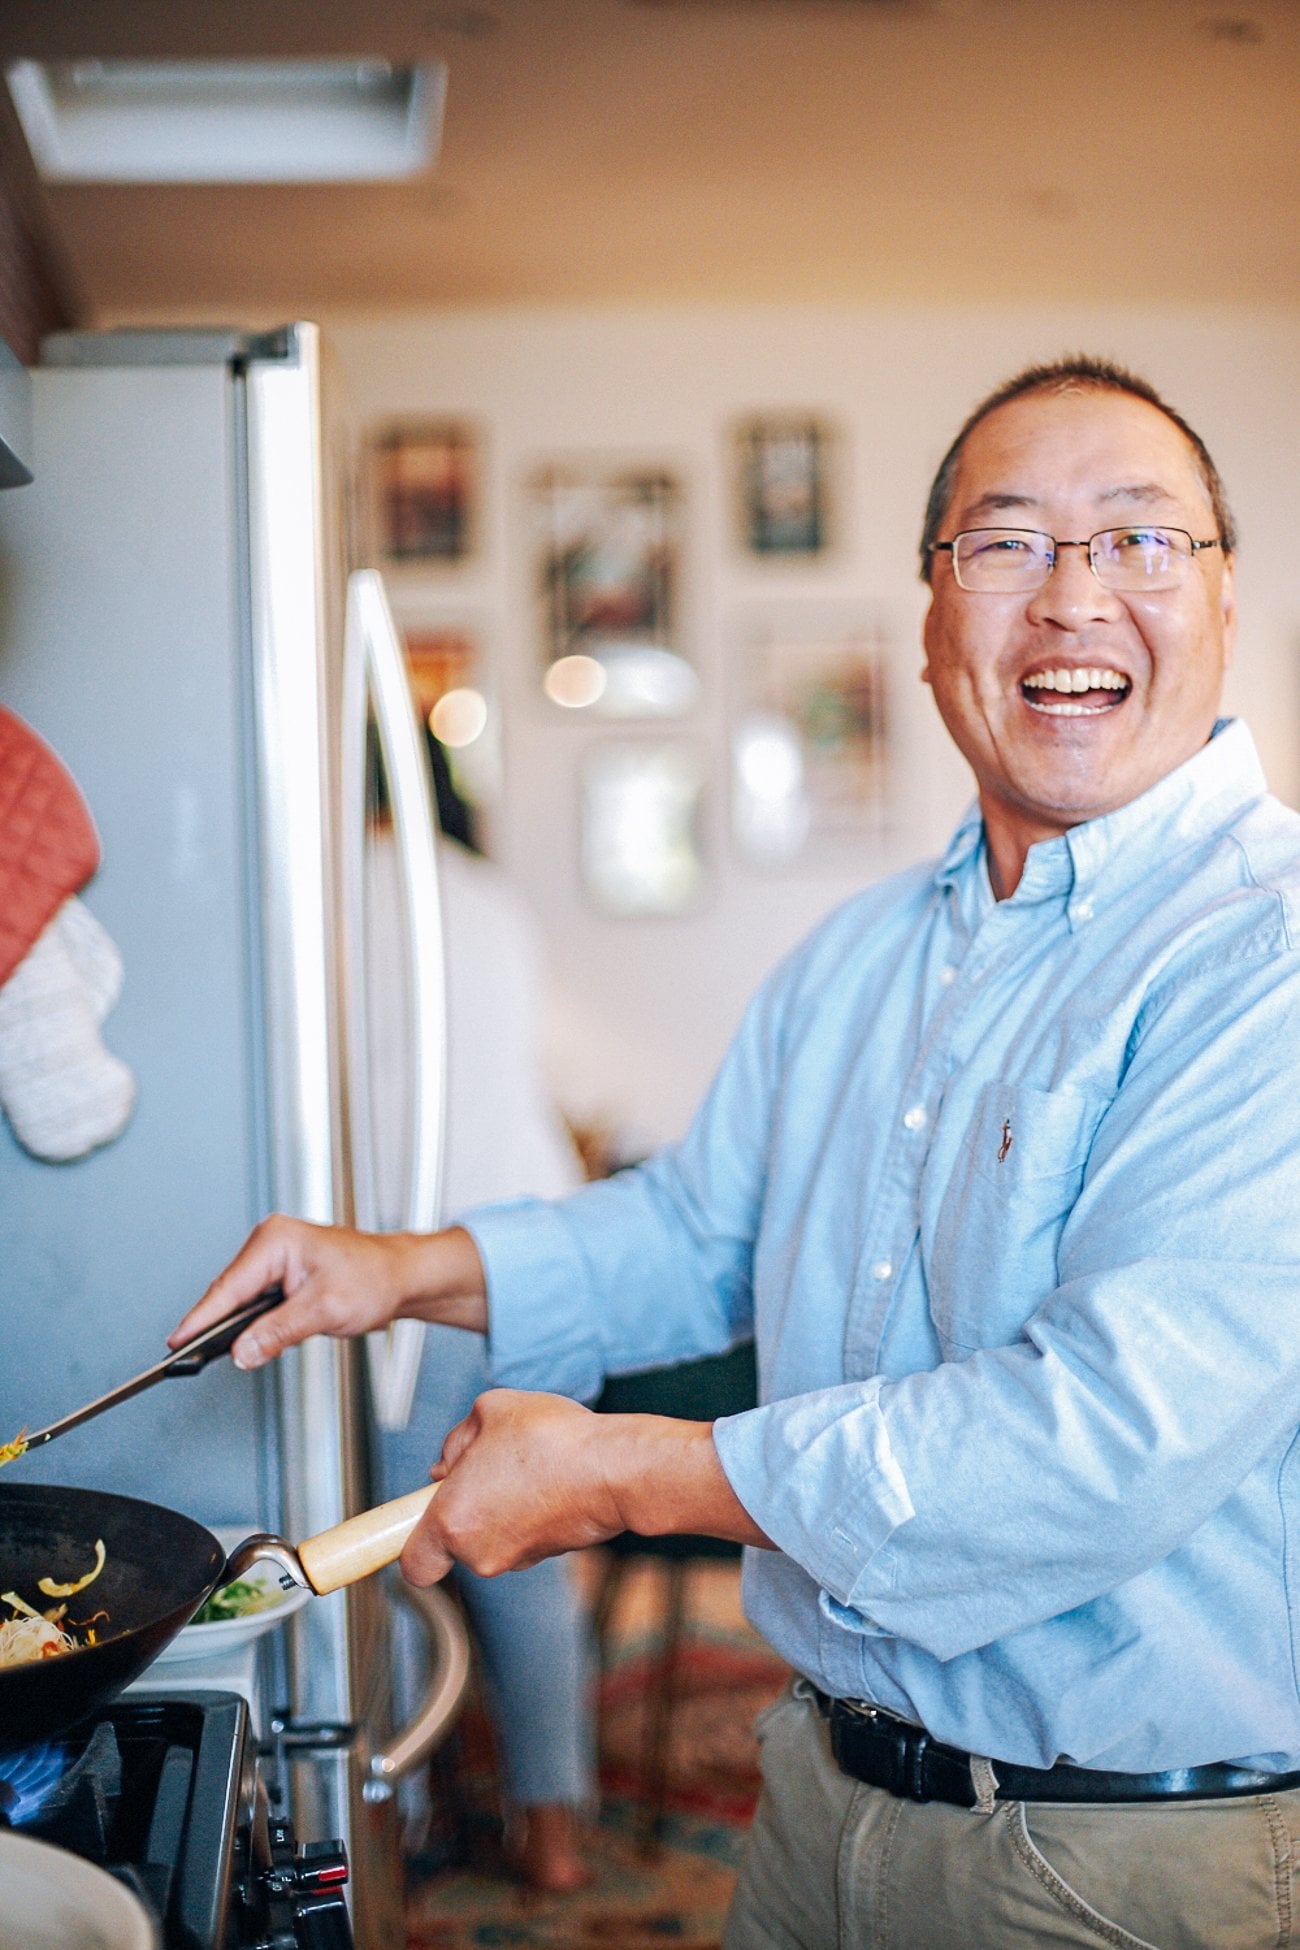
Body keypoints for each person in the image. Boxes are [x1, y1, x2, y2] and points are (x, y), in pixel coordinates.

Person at [174, 358, 1300, 1949]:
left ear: (1225, 596)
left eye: (1137, 540)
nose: (1072, 598)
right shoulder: (862, 953)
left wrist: (627, 1474)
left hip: (1118, 1860)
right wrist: (401, 1271)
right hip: (817, 1800)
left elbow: (1101, 1435)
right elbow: (700, 1230)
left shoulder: (1267, 954)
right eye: (1005, 544)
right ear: (929, 616)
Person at [369, 735, 594, 1891]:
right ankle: (551, 1831)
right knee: (525, 1555)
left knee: (404, 1551)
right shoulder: (487, 896)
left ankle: (401, 1815)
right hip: (541, 1253)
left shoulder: (342, 897)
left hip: (430, 1271)